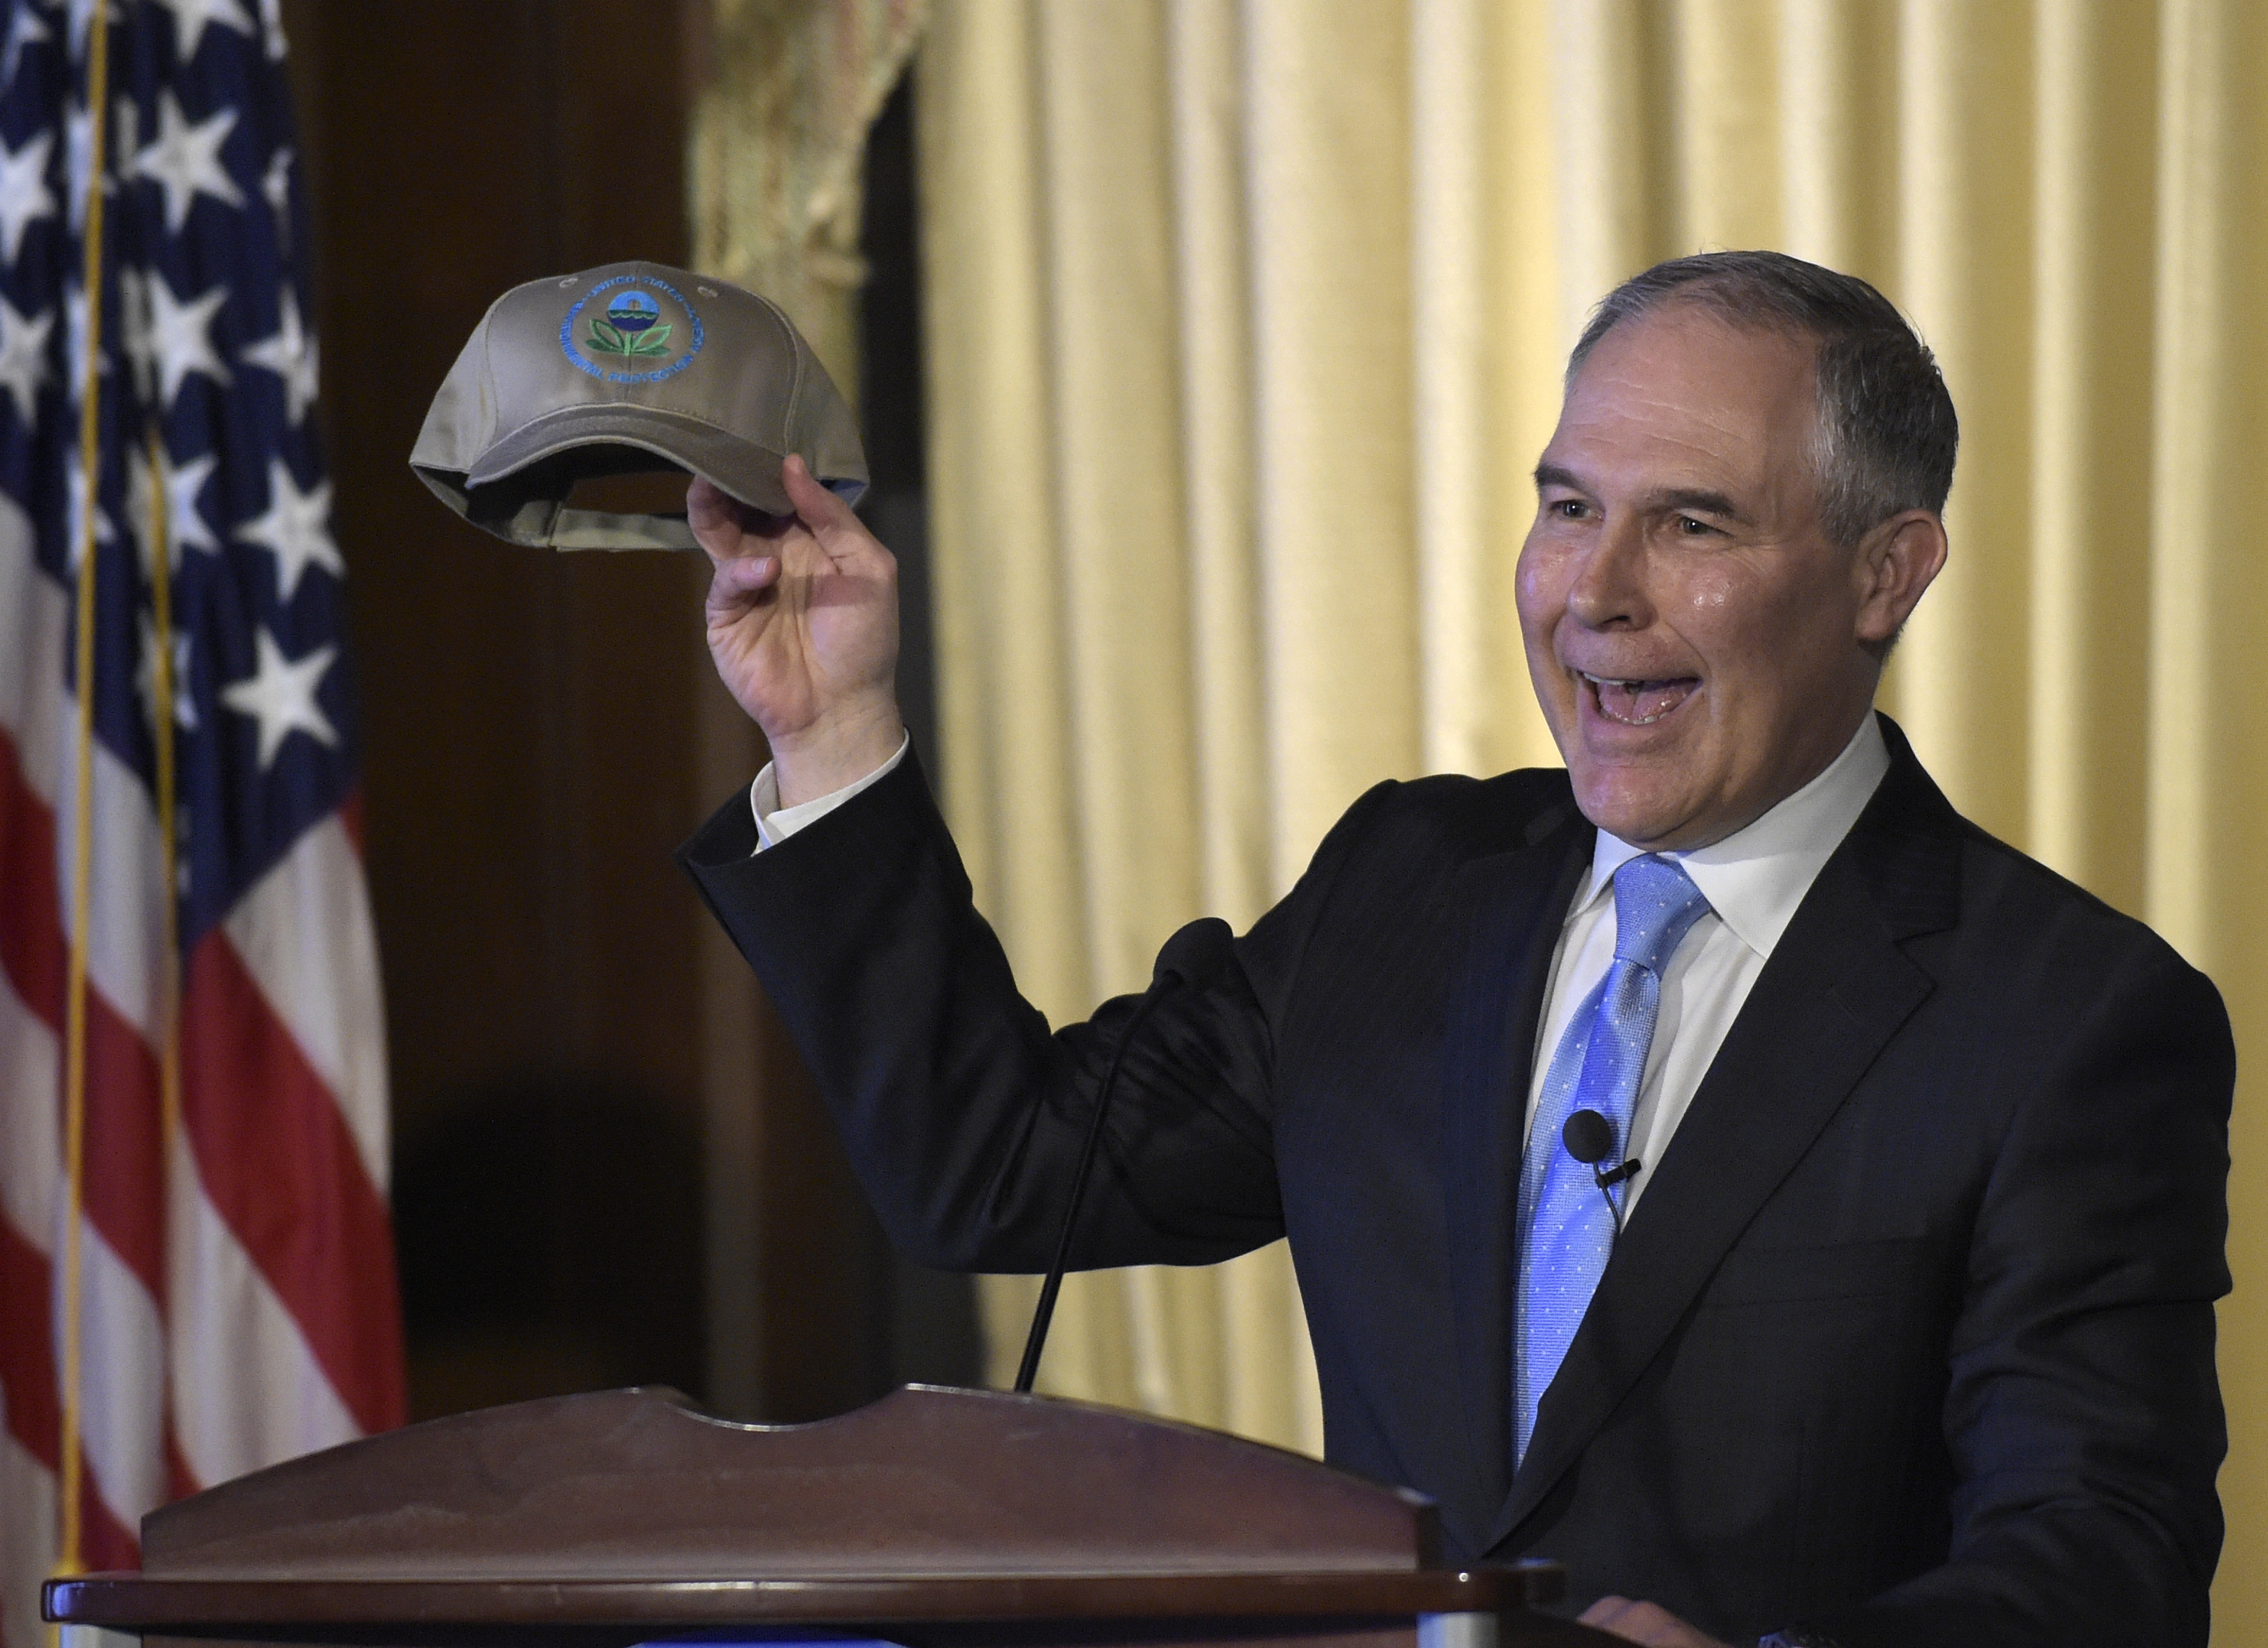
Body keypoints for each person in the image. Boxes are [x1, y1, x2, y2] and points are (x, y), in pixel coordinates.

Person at [675, 252, 2231, 1648]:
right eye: (1566, 507)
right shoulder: (1407, 887)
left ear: (1881, 573)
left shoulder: (2063, 1017)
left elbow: (2105, 1552)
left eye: (1689, 523)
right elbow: (1001, 1164)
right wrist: (830, 732)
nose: (1592, 595)